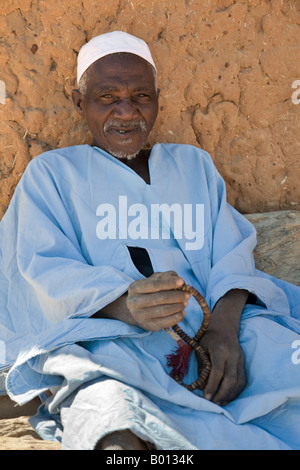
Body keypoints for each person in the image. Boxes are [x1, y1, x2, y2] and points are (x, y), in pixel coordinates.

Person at [0, 31, 300, 451]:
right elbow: (43, 269)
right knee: (114, 422)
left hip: (222, 326)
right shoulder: (52, 175)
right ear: (78, 102)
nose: (127, 112)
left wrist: (226, 331)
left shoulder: (192, 164)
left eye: (141, 96)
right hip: (114, 340)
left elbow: (231, 255)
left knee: (288, 362)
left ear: (158, 100)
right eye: (107, 97)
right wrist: (125, 304)